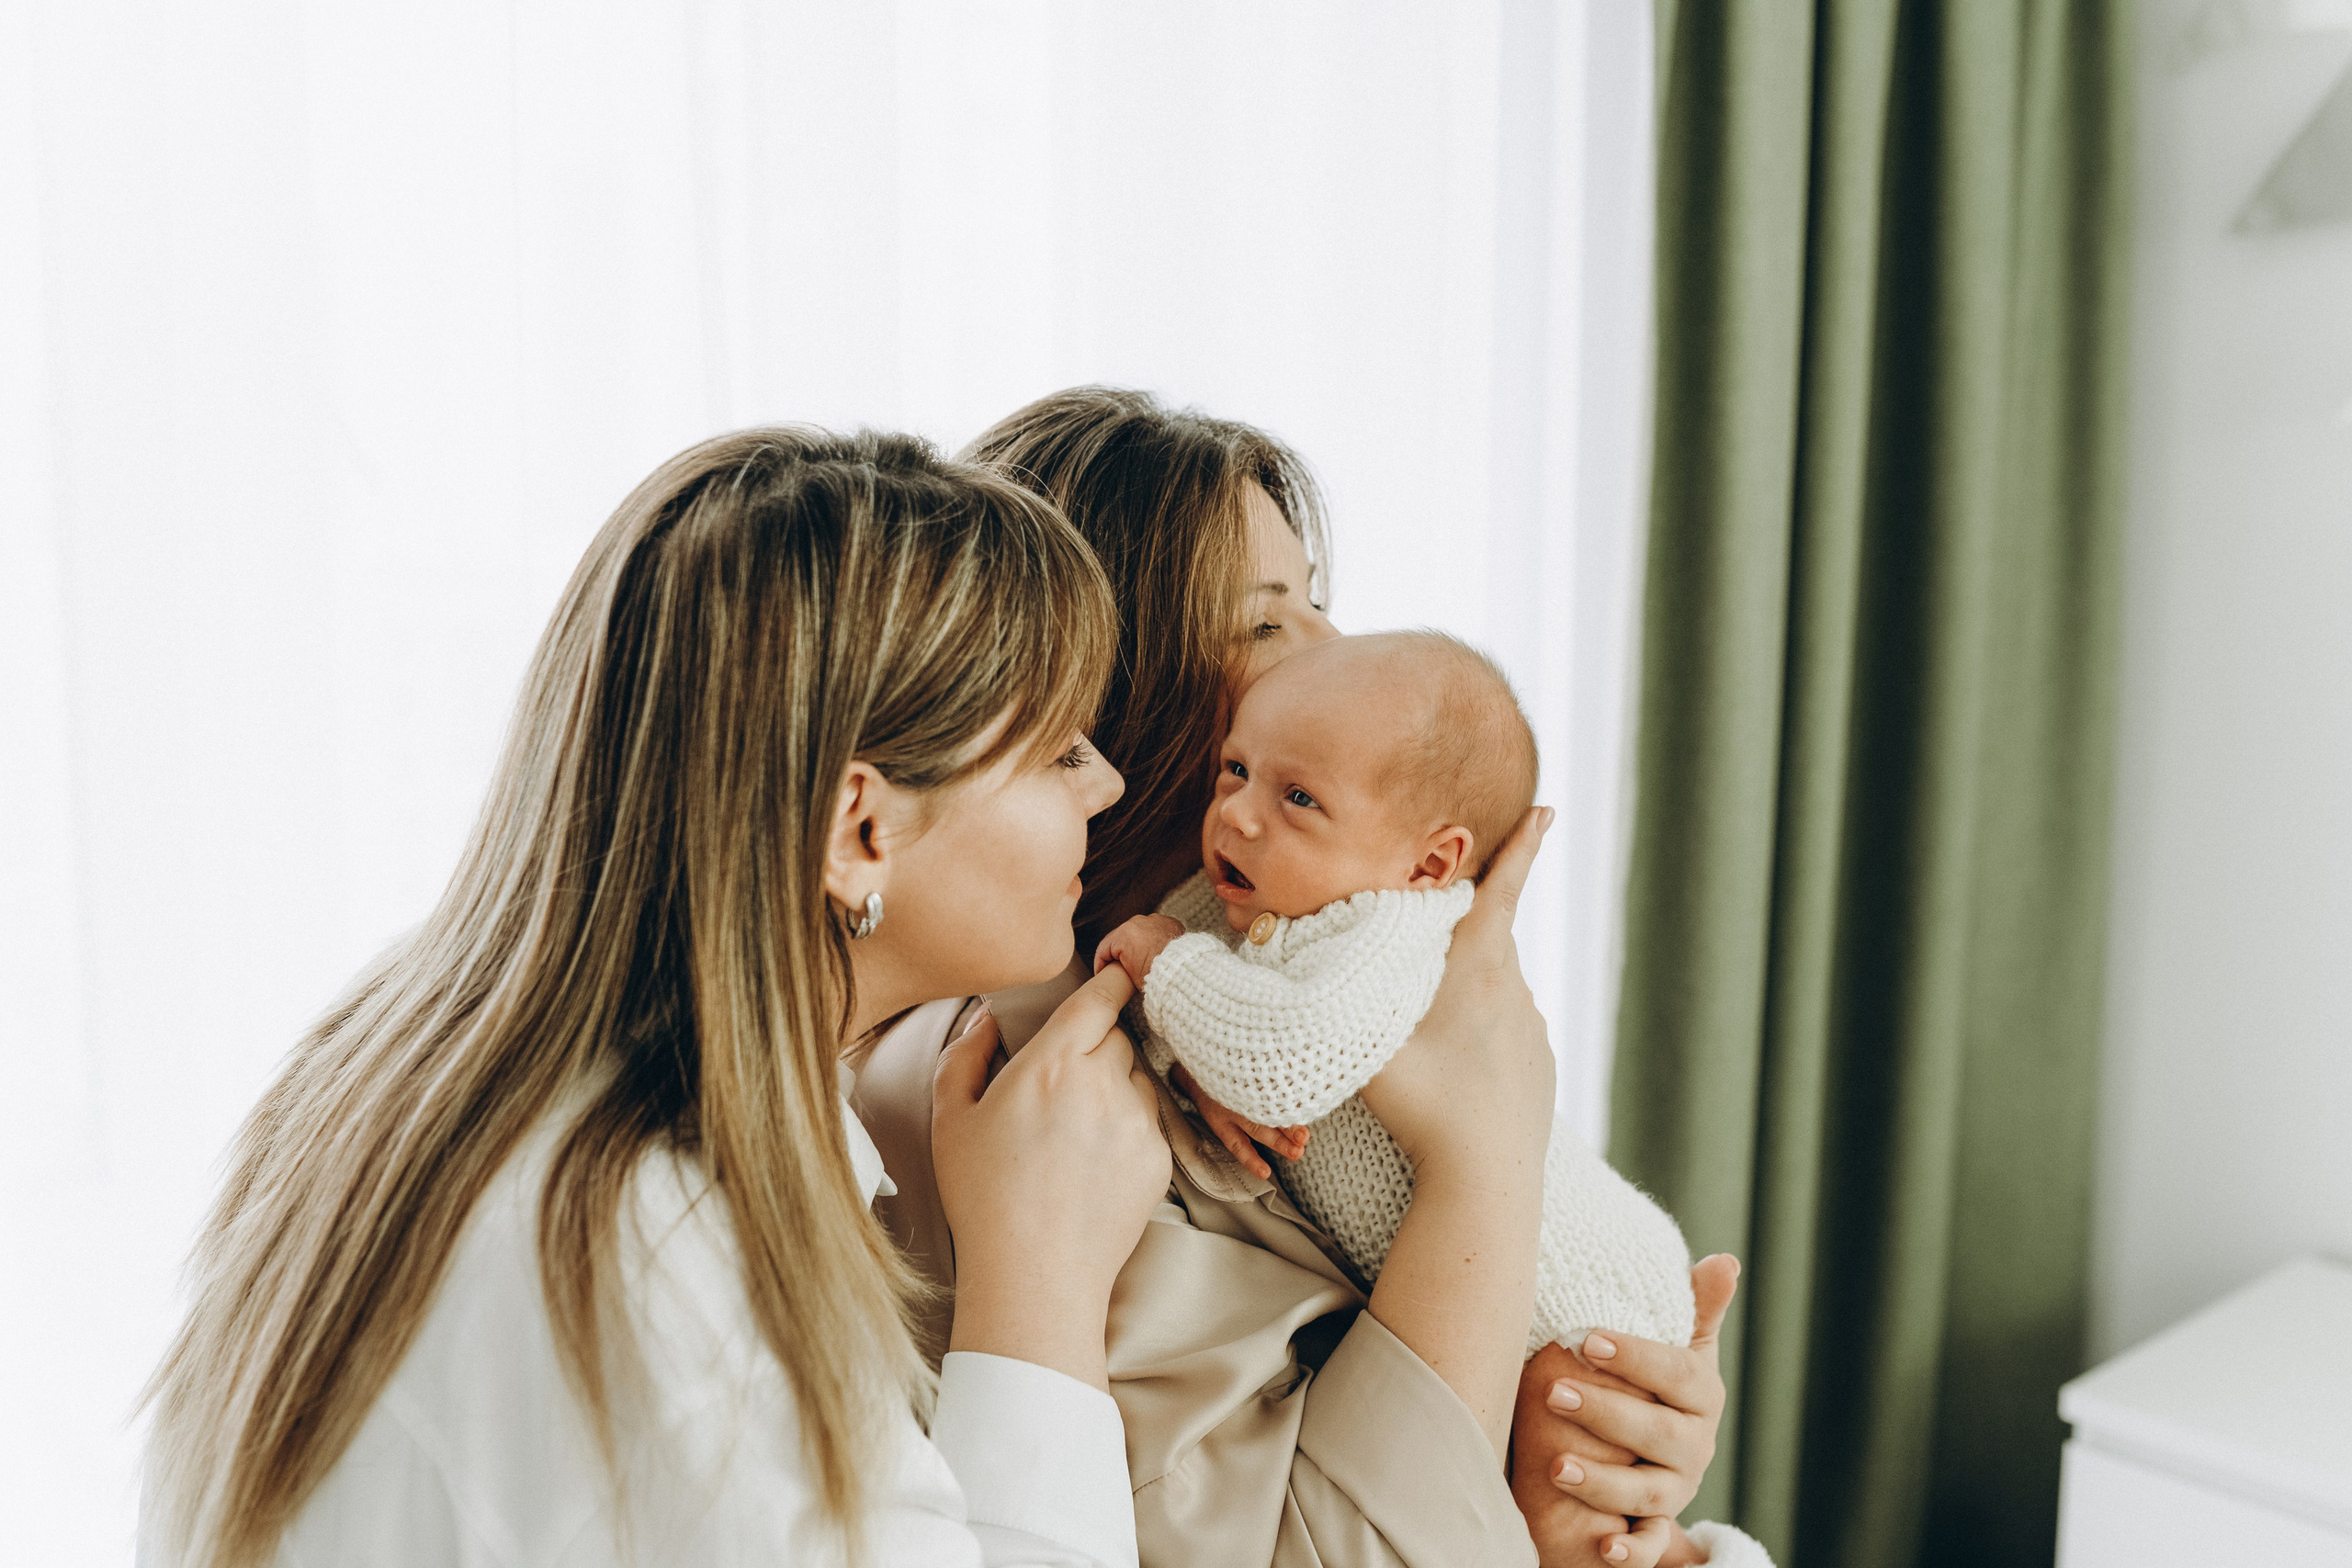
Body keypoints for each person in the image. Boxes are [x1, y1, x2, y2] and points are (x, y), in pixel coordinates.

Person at [137, 429, 1174, 1568]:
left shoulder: (417, 1064)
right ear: (858, 830)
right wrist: (1043, 1280)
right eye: (1060, 748)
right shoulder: (654, 1256)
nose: (1108, 783)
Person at [851, 388, 1747, 1568]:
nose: (1335, 657)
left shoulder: (1305, 978)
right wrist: (1484, 1157)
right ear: (1088, 682)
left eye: (1319, 604)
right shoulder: (1033, 1100)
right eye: (1265, 625)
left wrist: (1599, 1446)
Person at [1095, 630, 1702, 1357]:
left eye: (1298, 798)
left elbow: (1283, 1060)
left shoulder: (1389, 927)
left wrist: (1164, 965)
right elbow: (1153, 1006)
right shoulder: (1234, 895)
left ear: (1429, 863)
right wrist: (1185, 1056)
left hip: (1584, 1294)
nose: (1237, 814)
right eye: (1236, 767)